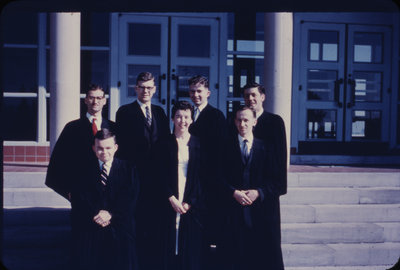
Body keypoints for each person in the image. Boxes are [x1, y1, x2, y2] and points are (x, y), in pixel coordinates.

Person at [115, 71, 170, 270]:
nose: (146, 91)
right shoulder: (125, 112)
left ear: (154, 89)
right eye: (142, 87)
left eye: (149, 87)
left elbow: (165, 145)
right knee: (135, 221)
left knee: (154, 223)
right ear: (135, 88)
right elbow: (122, 148)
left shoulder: (161, 113)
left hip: (156, 180)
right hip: (134, 177)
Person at [219, 106, 285, 270]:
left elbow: (278, 182)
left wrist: (259, 192)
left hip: (260, 215)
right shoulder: (224, 147)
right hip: (233, 214)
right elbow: (215, 178)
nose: (242, 124)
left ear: (254, 122)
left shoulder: (268, 148)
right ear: (234, 122)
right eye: (239, 120)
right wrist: (232, 192)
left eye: (246, 120)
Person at [70, 128, 139, 270]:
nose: (104, 152)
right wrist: (96, 214)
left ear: (116, 148)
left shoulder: (129, 169)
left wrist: (111, 214)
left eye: (108, 148)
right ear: (94, 148)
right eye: (100, 148)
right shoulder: (82, 170)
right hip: (91, 230)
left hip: (120, 230)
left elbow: (131, 197)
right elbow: (79, 198)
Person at [156, 101, 205, 270]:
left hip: (192, 200)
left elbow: (203, 177)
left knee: (189, 246)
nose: (182, 121)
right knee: (167, 244)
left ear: (191, 120)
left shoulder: (199, 144)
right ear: (172, 119)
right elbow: (157, 175)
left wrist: (189, 201)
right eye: (178, 116)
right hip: (168, 199)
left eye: (186, 117)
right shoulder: (163, 143)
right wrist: (171, 198)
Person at [46, 84, 115, 200]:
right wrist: (67, 191)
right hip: (81, 190)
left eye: (99, 98)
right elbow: (59, 160)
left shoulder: (113, 128)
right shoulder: (72, 128)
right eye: (91, 97)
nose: (95, 101)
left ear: (104, 101)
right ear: (86, 100)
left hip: (109, 188)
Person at [187, 75, 227, 265]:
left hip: (207, 179)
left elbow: (219, 150)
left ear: (208, 93)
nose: (196, 95)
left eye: (199, 91)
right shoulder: (186, 114)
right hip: (188, 175)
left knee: (207, 226)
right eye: (193, 91)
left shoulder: (216, 116)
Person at [242, 81, 287, 198]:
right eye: (246, 96)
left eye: (253, 95)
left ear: (262, 97)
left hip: (265, 186)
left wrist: (276, 187)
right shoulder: (238, 121)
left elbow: (280, 156)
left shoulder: (275, 122)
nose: (250, 98)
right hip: (243, 187)